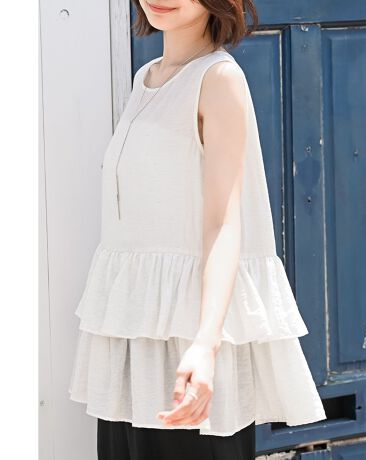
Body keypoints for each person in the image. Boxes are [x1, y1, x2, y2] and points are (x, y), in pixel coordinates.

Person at [68, 0, 327, 458]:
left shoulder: (218, 79)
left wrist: (205, 345)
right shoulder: (146, 78)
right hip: (135, 343)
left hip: (186, 345)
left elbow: (224, 222)